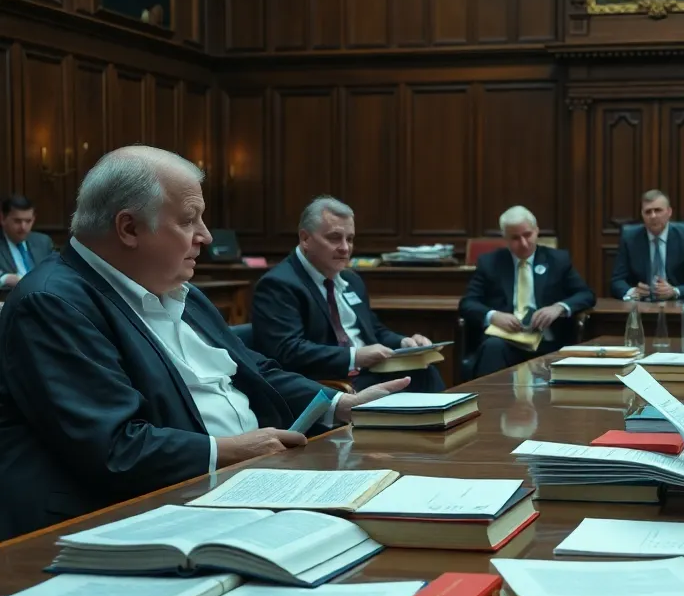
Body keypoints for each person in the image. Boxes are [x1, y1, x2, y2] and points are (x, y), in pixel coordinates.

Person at [0, 147, 405, 541]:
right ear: (128, 228)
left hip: (253, 485)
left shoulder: (177, 286)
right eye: (189, 220)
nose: (206, 237)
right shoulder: (53, 303)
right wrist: (229, 449)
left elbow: (252, 369)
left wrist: (338, 405)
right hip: (141, 517)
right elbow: (115, 448)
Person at [251, 196, 445, 393]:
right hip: (326, 383)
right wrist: (354, 356)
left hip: (368, 373)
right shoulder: (278, 285)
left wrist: (405, 343)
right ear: (305, 239)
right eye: (334, 238)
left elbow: (374, 331)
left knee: (425, 372)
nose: (345, 248)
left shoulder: (351, 280)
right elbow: (288, 351)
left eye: (350, 239)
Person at [459, 206, 595, 378]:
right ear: (505, 239)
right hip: (506, 341)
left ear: (536, 231)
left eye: (527, 235)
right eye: (515, 238)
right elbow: (468, 303)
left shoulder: (557, 260)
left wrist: (558, 307)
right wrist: (493, 316)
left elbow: (586, 295)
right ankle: (490, 403)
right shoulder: (490, 263)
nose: (523, 243)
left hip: (547, 340)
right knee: (492, 348)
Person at [610, 190, 684, 300]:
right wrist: (633, 292)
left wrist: (674, 291)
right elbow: (617, 281)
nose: (653, 216)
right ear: (642, 214)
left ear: (669, 212)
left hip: (676, 305)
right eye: (648, 212)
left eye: (658, 210)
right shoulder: (630, 237)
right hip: (642, 305)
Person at [0, 195, 54, 289]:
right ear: (3, 219)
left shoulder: (43, 242)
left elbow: (58, 272)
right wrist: (4, 279)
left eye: (28, 221)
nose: (23, 227)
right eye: (17, 221)